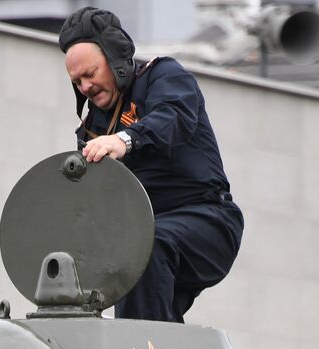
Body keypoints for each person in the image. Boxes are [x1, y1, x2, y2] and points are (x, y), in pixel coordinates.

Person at [59, 7, 244, 323]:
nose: (85, 87)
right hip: (145, 236)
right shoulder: (90, 130)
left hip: (207, 219)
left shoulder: (163, 77)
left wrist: (124, 140)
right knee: (136, 285)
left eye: (90, 74)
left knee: (145, 248)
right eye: (77, 82)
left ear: (114, 57)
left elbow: (173, 117)